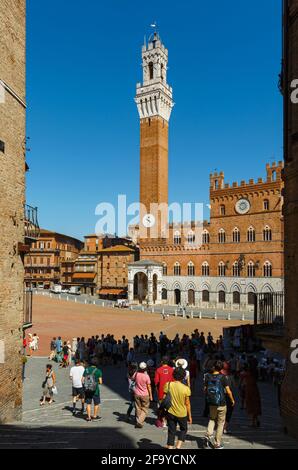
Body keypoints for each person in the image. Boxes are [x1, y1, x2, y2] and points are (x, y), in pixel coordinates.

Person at [204, 360, 235, 449]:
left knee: (212, 419)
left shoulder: (207, 376)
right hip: (221, 403)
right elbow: (228, 391)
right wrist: (232, 400)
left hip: (212, 403)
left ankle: (208, 435)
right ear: (221, 368)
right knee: (220, 423)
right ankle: (217, 443)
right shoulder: (223, 377)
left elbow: (205, 390)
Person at [163, 367, 192, 450]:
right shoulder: (186, 388)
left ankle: (170, 447)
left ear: (173, 375)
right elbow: (187, 404)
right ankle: (178, 446)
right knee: (183, 429)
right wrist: (189, 416)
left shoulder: (168, 385)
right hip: (182, 413)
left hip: (170, 412)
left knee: (171, 430)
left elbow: (164, 399)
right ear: (183, 377)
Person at [133, 362, 153, 428]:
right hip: (145, 394)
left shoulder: (136, 374)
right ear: (145, 368)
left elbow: (132, 379)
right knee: (145, 408)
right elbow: (149, 386)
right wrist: (151, 395)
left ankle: (138, 420)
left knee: (138, 407)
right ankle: (139, 421)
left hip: (137, 393)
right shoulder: (146, 376)